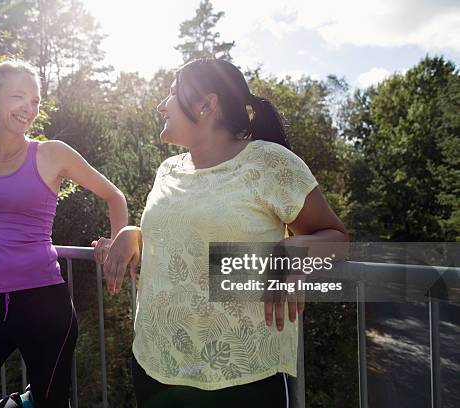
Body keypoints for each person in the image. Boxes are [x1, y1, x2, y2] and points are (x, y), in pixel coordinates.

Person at [101, 58, 349, 407]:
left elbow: (335, 238)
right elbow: (179, 236)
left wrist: (292, 253)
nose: (161, 105)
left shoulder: (269, 163)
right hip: (156, 366)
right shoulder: (167, 169)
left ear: (207, 104)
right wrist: (133, 233)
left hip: (243, 377)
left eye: (172, 94)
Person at [0, 60, 127, 408]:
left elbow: (114, 196)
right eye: (19, 96)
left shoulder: (51, 153)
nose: (29, 108)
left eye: (35, 101)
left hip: (44, 305)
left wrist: (117, 242)